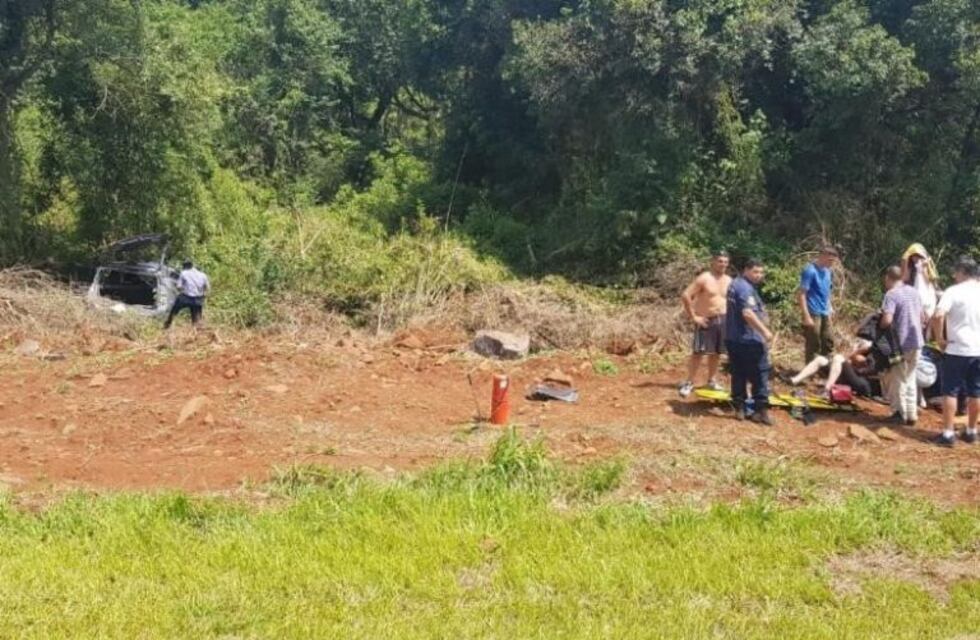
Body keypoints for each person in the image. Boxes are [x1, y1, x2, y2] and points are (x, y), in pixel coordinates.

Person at [930, 257, 980, 446]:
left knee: (950, 391)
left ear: (963, 271)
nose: (954, 276)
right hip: (978, 350)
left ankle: (948, 434)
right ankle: (971, 430)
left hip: (957, 348)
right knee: (976, 392)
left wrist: (939, 339)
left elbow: (938, 314)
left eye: (956, 272)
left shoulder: (954, 291)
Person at [725, 258, 775, 425]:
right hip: (750, 339)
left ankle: (739, 407)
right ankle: (761, 410)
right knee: (760, 373)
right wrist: (765, 332)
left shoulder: (735, 284)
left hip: (733, 338)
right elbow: (748, 313)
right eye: (755, 272)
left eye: (761, 272)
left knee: (738, 372)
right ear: (746, 270)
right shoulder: (745, 288)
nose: (759, 275)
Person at [678, 251, 732, 397]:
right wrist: (694, 317)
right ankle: (689, 382)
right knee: (698, 353)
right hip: (705, 320)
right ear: (713, 262)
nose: (723, 264)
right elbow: (686, 295)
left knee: (716, 353)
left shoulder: (728, 280)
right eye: (720, 261)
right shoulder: (704, 278)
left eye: (726, 262)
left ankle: (711, 381)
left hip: (723, 320)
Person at [880, 265, 924, 426]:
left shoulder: (891, 295)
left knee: (898, 378)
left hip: (900, 343)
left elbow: (887, 320)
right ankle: (912, 414)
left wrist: (880, 326)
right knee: (911, 377)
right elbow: (922, 316)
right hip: (917, 341)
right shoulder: (913, 292)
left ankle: (899, 412)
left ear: (888, 278)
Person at [798, 246, 839, 366]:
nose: (832, 263)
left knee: (828, 340)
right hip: (813, 311)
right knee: (813, 342)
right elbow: (801, 294)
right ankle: (810, 371)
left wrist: (830, 307)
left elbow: (826, 292)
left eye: (834, 261)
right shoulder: (810, 271)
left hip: (824, 311)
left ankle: (826, 368)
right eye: (830, 260)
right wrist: (806, 316)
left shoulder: (828, 271)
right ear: (822, 256)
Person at [901, 243, 939, 336]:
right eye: (913, 256)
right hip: (916, 293)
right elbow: (905, 278)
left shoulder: (924, 264)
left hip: (924, 294)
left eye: (916, 256)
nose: (915, 258)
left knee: (925, 319)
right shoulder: (912, 266)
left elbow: (928, 280)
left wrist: (923, 268)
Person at [163, 260, 210, 329]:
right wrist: (202, 296)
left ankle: (168, 324)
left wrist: (182, 289)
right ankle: (197, 331)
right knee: (196, 317)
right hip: (198, 299)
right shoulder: (203, 275)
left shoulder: (184, 273)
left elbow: (179, 287)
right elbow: (207, 288)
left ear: (185, 266)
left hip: (186, 297)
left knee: (174, 310)